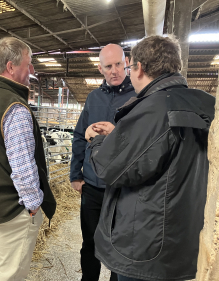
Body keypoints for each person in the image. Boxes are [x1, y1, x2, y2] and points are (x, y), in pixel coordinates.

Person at [85, 35, 215, 281]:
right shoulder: (207, 104)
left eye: (127, 66)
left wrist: (97, 141)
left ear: (139, 68)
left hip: (147, 240)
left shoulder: (152, 108)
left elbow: (112, 167)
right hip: (186, 237)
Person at [0, 37, 56, 281]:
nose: (32, 70)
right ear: (11, 67)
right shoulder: (14, 106)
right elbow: (23, 166)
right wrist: (33, 205)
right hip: (13, 208)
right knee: (10, 275)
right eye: (29, 63)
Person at [70, 44, 136, 281]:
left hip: (123, 188)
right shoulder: (93, 98)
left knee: (119, 245)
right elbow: (79, 136)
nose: (114, 70)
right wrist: (75, 175)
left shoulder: (138, 97)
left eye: (118, 64)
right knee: (90, 242)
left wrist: (116, 132)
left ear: (126, 61)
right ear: (100, 68)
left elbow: (144, 140)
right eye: (108, 66)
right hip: (92, 185)